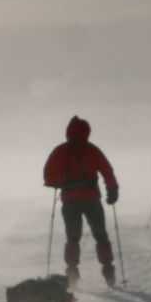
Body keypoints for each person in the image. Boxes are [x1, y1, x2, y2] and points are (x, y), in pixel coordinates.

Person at [42, 116, 120, 286]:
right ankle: (108, 272)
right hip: (91, 199)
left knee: (73, 238)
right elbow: (107, 171)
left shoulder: (60, 151)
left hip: (70, 201)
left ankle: (72, 274)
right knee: (100, 236)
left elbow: (48, 176)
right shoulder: (92, 150)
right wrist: (112, 189)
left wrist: (61, 182)